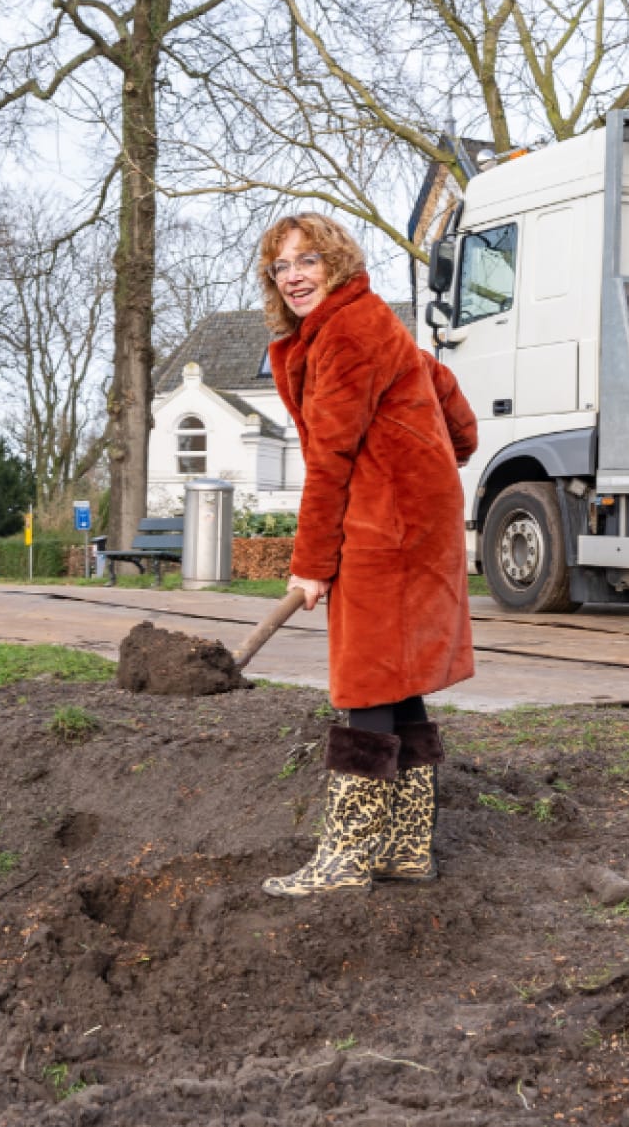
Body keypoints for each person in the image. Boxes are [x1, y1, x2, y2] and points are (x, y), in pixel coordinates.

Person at [257, 213, 479, 898]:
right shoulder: (378, 324)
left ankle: (347, 856)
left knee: (363, 683)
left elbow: (329, 460)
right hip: (416, 521)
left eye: (306, 260)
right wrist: (417, 460)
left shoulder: (346, 332)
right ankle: (406, 847)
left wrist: (312, 560)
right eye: (280, 266)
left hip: (382, 527)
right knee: (396, 676)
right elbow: (461, 426)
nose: (293, 275)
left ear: (336, 261)